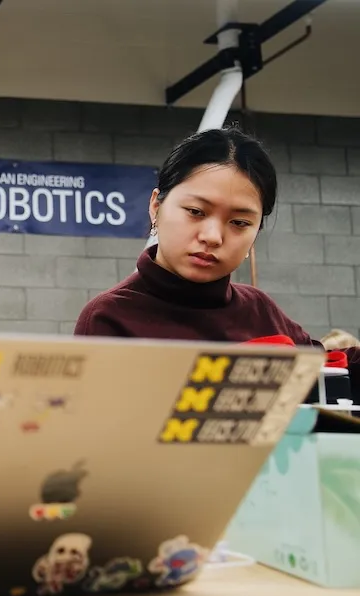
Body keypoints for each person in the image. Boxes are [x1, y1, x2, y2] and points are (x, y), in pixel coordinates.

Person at [75, 127, 360, 397]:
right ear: (156, 207)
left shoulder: (261, 311)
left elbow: (331, 367)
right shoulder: (109, 318)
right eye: (196, 211)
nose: (212, 237)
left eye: (239, 222)